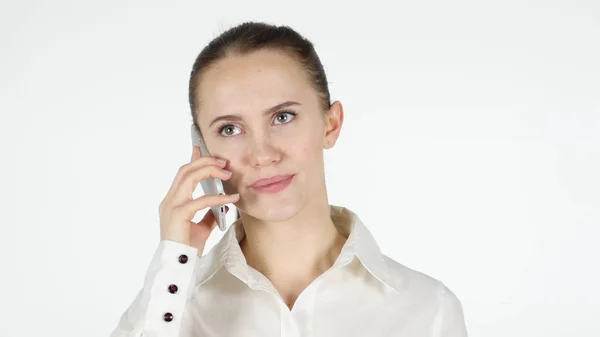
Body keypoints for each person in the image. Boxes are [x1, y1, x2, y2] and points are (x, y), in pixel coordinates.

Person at [109, 21, 468, 337]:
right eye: (230, 128)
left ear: (331, 124)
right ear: (200, 148)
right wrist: (174, 261)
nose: (262, 154)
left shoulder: (426, 311)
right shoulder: (174, 305)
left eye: (283, 117)